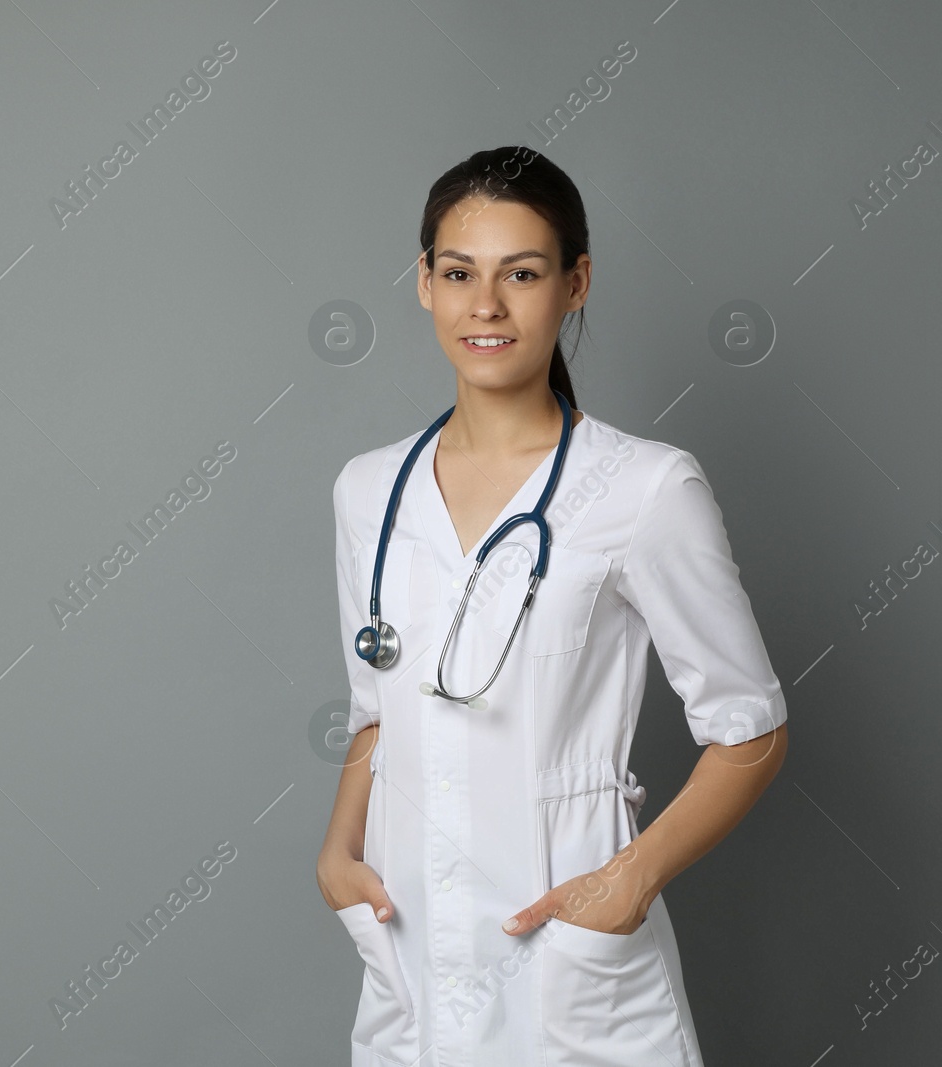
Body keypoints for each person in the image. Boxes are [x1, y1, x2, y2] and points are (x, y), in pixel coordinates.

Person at [316, 145, 789, 1067]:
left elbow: (753, 729)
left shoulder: (642, 488)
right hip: (409, 946)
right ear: (423, 283)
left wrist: (629, 880)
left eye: (521, 274)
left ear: (575, 284)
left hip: (571, 957)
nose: (484, 306)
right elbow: (378, 715)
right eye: (459, 274)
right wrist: (338, 854)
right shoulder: (367, 491)